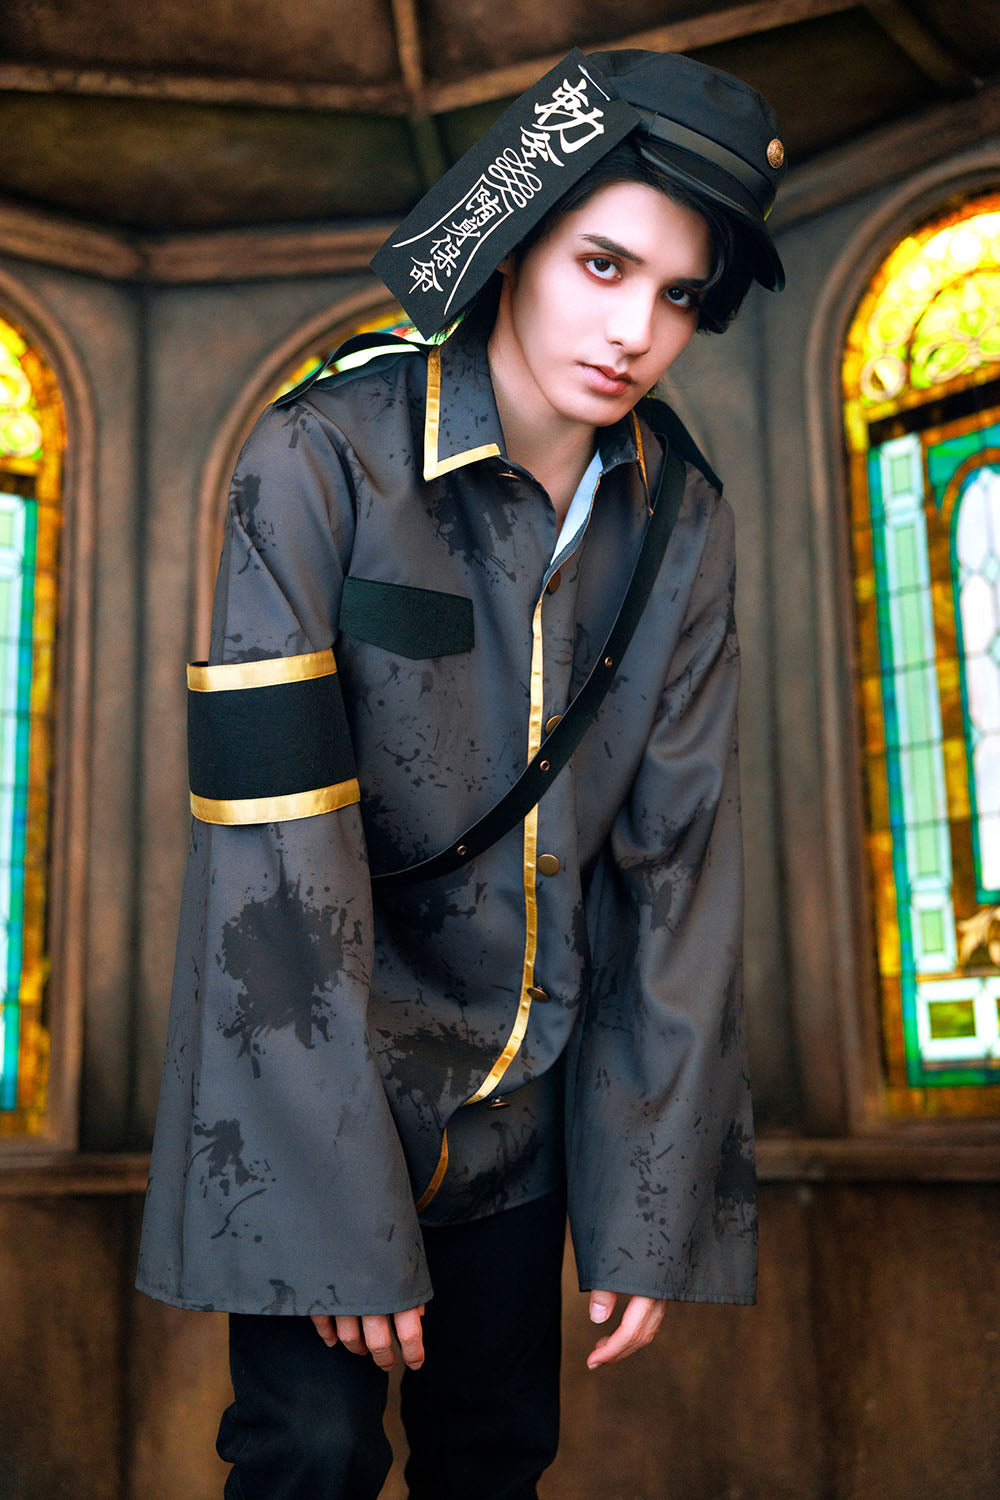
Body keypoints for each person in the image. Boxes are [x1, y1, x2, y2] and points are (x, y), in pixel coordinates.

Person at [137, 46, 787, 1500]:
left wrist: (651, 1204)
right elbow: (269, 861)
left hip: (521, 1105)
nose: (635, 330)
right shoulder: (317, 455)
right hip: (316, 1078)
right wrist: (332, 1202)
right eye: (603, 265)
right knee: (307, 1453)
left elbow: (677, 869)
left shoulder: (687, 521)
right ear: (519, 241)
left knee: (495, 1463)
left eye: (681, 296)